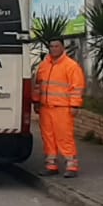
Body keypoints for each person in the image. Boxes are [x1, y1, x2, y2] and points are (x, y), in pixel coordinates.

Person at [32, 37, 86, 178]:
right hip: (46, 108)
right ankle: (51, 165)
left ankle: (71, 165)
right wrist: (36, 102)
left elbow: (77, 88)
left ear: (63, 47)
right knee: (48, 137)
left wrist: (75, 105)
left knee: (64, 136)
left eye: (56, 46)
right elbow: (38, 86)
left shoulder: (71, 66)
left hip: (62, 108)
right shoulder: (44, 65)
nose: (53, 49)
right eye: (51, 46)